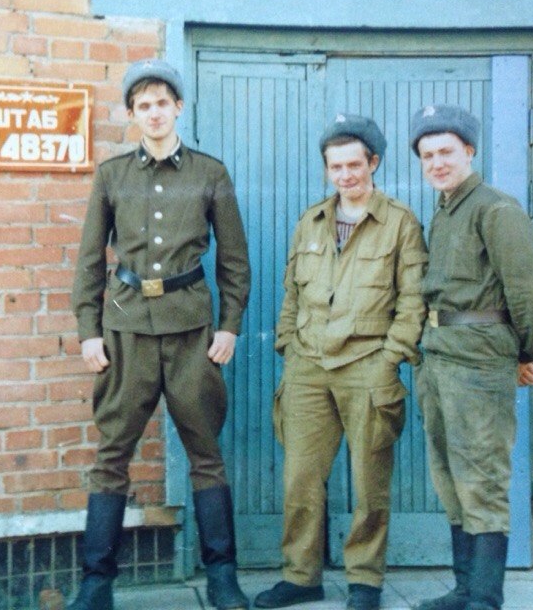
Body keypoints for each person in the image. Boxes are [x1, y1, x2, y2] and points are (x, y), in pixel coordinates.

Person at [70, 59, 251, 610]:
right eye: (143, 105)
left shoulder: (210, 173)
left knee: (205, 451)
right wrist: (89, 331)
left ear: (179, 108)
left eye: (162, 103)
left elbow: (235, 261)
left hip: (192, 331)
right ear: (132, 113)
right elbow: (90, 260)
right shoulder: (112, 176)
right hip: (125, 330)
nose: (154, 113)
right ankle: (96, 585)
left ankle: (222, 577)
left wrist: (229, 326)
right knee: (112, 454)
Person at [255, 114, 427, 610]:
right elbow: (292, 292)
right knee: (301, 478)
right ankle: (300, 577)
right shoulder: (310, 221)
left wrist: (391, 357)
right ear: (327, 169)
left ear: (373, 162)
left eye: (354, 164)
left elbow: (413, 300)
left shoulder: (400, 223)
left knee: (369, 480)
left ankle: (365, 581)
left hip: (368, 363)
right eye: (336, 167)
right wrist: (289, 345)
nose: (345, 175)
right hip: (308, 365)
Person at [409, 105, 533, 610]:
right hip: (439, 358)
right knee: (450, 476)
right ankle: (465, 588)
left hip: (478, 362)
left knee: (482, 478)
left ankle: (485, 598)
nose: (437, 163)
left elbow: (530, 291)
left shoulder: (496, 209)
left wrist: (526, 352)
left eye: (446, 152)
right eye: (427, 155)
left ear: (469, 151)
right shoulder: (446, 210)